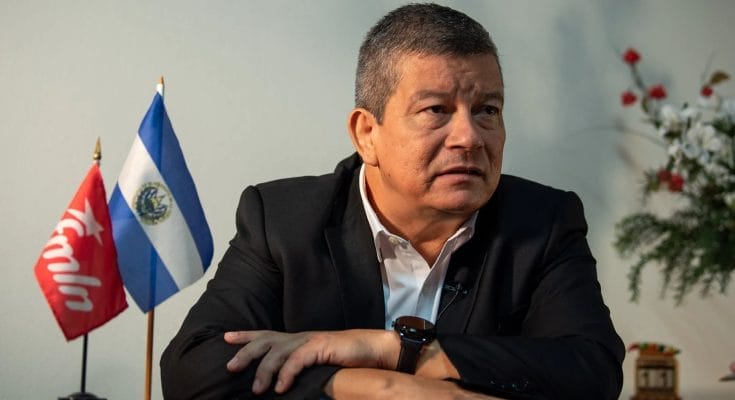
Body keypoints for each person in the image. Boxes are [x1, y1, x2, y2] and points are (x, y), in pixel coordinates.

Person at [160, 3, 624, 399]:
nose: (469, 137)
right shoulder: (283, 220)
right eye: (436, 110)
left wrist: (389, 350)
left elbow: (592, 371)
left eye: (488, 110)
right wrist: (383, 387)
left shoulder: (544, 222)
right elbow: (193, 370)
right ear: (367, 133)